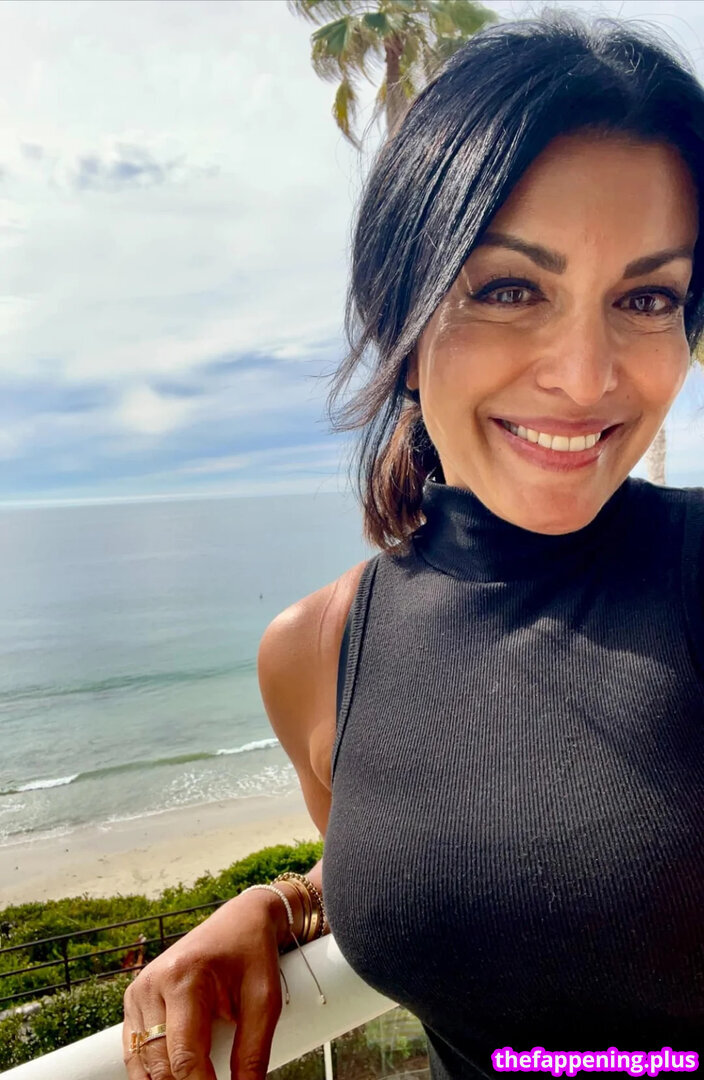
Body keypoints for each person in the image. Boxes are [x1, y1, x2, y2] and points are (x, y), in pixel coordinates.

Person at [122, 10, 704, 1080]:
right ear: (402, 307)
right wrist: (285, 901)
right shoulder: (315, 651)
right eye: (509, 288)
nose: (585, 375)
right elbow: (449, 853)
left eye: (646, 297)